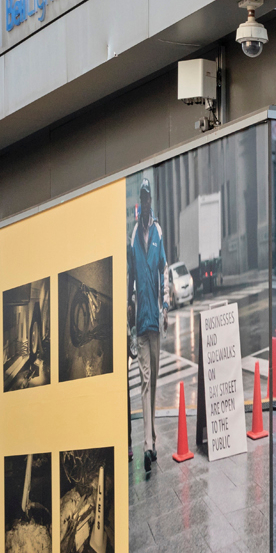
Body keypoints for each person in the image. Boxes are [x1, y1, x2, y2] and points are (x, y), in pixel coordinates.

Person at [128, 177, 170, 473]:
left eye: (147, 198)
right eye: (141, 198)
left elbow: (164, 268)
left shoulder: (157, 232)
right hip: (141, 324)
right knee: (143, 382)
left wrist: (166, 304)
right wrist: (128, 321)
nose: (144, 203)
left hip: (156, 320)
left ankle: (154, 439)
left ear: (151, 201)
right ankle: (146, 445)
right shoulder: (132, 237)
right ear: (138, 203)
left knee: (154, 381)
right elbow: (130, 279)